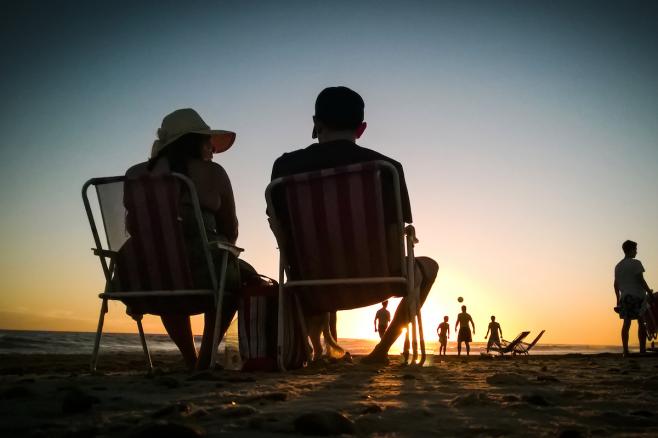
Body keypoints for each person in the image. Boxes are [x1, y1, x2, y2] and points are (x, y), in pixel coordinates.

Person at [269, 86, 439, 363]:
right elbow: (394, 234)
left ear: (316, 124)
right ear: (361, 129)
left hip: (309, 283)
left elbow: (279, 229)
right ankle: (380, 352)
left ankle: (315, 348)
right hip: (380, 280)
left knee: (314, 253)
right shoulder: (386, 168)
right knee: (430, 265)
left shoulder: (285, 167)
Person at [120, 108, 256, 370]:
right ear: (194, 141)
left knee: (169, 267)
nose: (213, 150)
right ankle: (205, 359)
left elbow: (131, 225)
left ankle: (189, 358)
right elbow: (231, 229)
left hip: (141, 276)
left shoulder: (135, 174)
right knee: (235, 278)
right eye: (208, 142)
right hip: (201, 274)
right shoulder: (213, 173)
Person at [614, 240, 654, 356]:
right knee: (641, 322)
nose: (636, 252)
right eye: (635, 249)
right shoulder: (636, 263)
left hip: (625, 298)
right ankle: (642, 350)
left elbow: (616, 285)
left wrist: (617, 299)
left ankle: (625, 350)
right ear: (630, 250)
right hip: (637, 297)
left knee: (626, 323)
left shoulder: (618, 266)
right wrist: (649, 293)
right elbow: (641, 280)